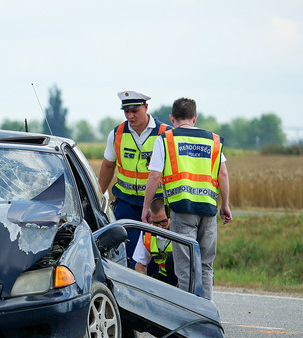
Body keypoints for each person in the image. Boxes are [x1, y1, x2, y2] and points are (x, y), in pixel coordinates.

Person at [142, 97, 233, 301]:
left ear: (172, 118)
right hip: (209, 210)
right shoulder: (213, 140)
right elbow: (223, 174)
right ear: (195, 117)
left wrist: (146, 207)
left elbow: (155, 175)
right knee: (205, 266)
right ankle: (207, 315)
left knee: (185, 268)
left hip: (182, 211)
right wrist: (225, 205)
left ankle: (189, 317)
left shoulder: (166, 139)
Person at [98, 90, 171, 268]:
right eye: (126, 111)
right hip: (126, 204)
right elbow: (108, 165)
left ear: (146, 108)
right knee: (128, 254)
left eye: (135, 111)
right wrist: (98, 195)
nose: (130, 116)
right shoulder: (117, 134)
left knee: (156, 252)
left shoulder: (165, 134)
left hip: (157, 205)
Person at [133, 197, 177, 287]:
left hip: (181, 278)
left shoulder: (179, 230)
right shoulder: (147, 234)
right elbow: (140, 265)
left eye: (163, 222)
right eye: (156, 223)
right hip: (164, 276)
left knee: (171, 261)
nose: (160, 227)